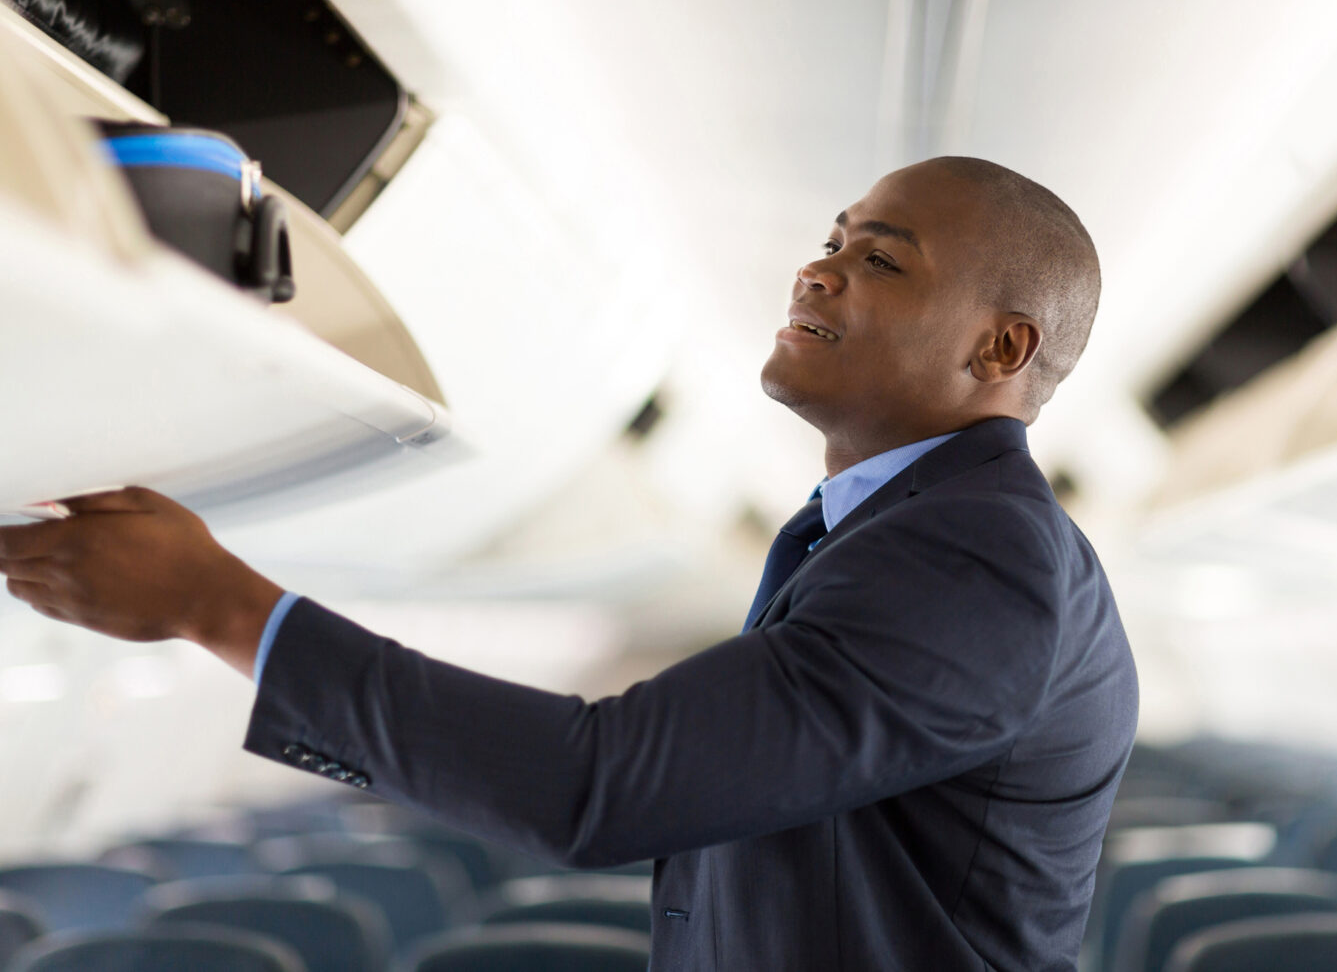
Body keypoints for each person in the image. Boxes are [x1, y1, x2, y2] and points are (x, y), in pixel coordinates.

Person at [0, 156, 1138, 970]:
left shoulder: (974, 556)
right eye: (832, 238)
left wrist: (219, 604)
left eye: (879, 259)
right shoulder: (894, 535)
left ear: (1000, 348)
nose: (817, 269)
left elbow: (602, 786)